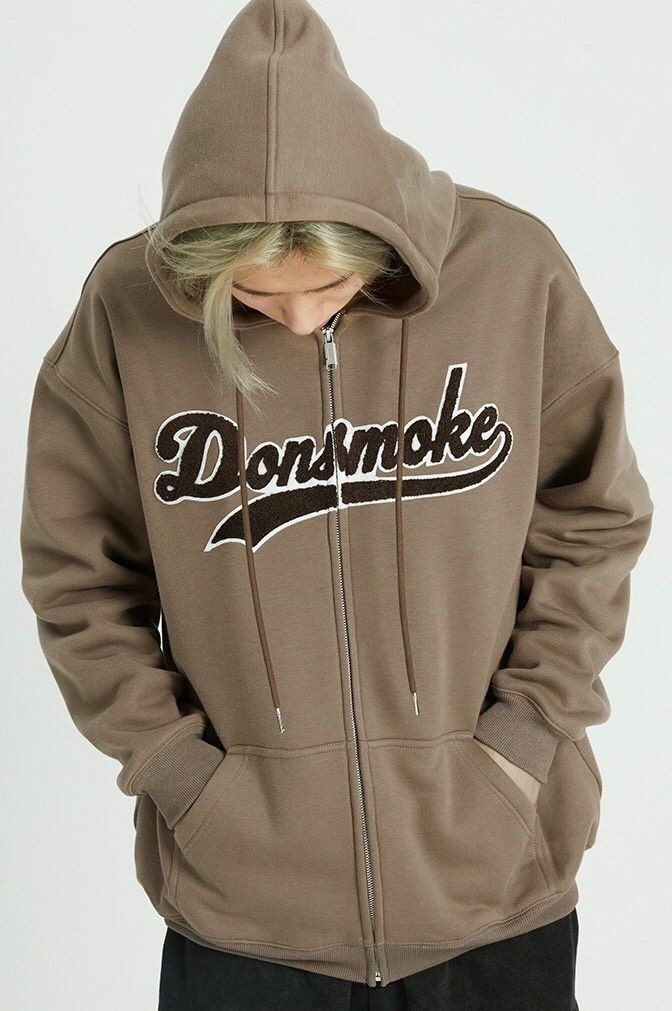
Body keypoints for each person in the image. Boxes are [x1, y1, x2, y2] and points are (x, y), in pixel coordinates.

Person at [19, 0, 654, 1008]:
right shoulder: (124, 313)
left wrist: (526, 740)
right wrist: (182, 777)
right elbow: (75, 573)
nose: (298, 317)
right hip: (245, 922)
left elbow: (595, 517)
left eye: (328, 288)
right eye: (255, 300)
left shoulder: (512, 274)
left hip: (494, 896)